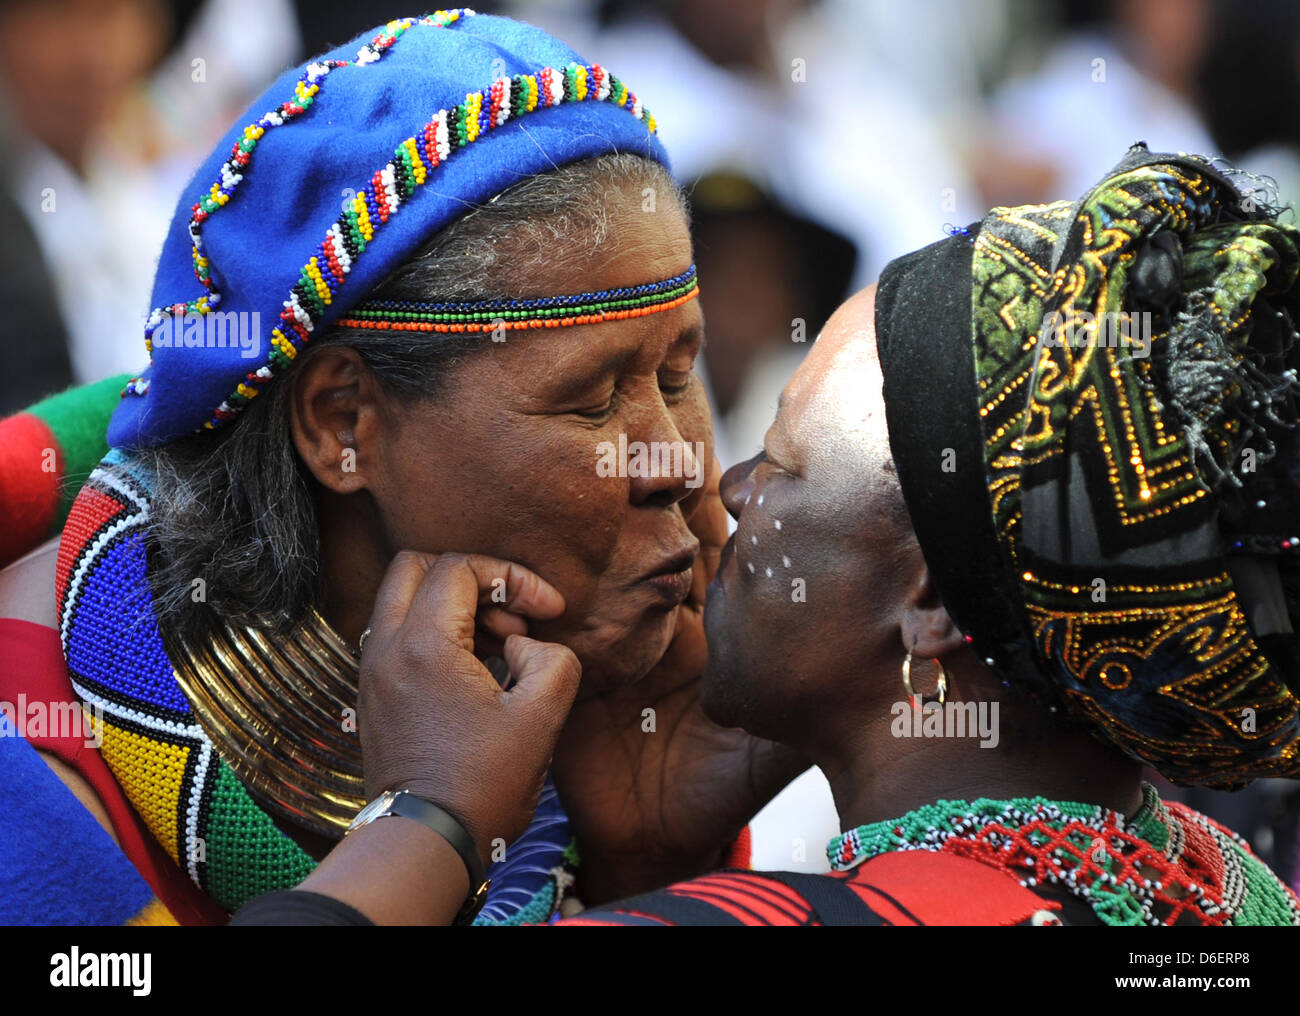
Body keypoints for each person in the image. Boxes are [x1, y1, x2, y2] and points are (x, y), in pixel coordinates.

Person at [233, 144, 1300, 925]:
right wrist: (636, 859)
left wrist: (427, 822)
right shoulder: (1225, 891)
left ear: (927, 602)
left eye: (780, 467)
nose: (719, 488)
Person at [0, 10, 804, 925]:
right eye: (591, 400)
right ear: (344, 421)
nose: (680, 463)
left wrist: (640, 870)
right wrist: (430, 827)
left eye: (676, 373)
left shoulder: (560, 726)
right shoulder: (29, 772)